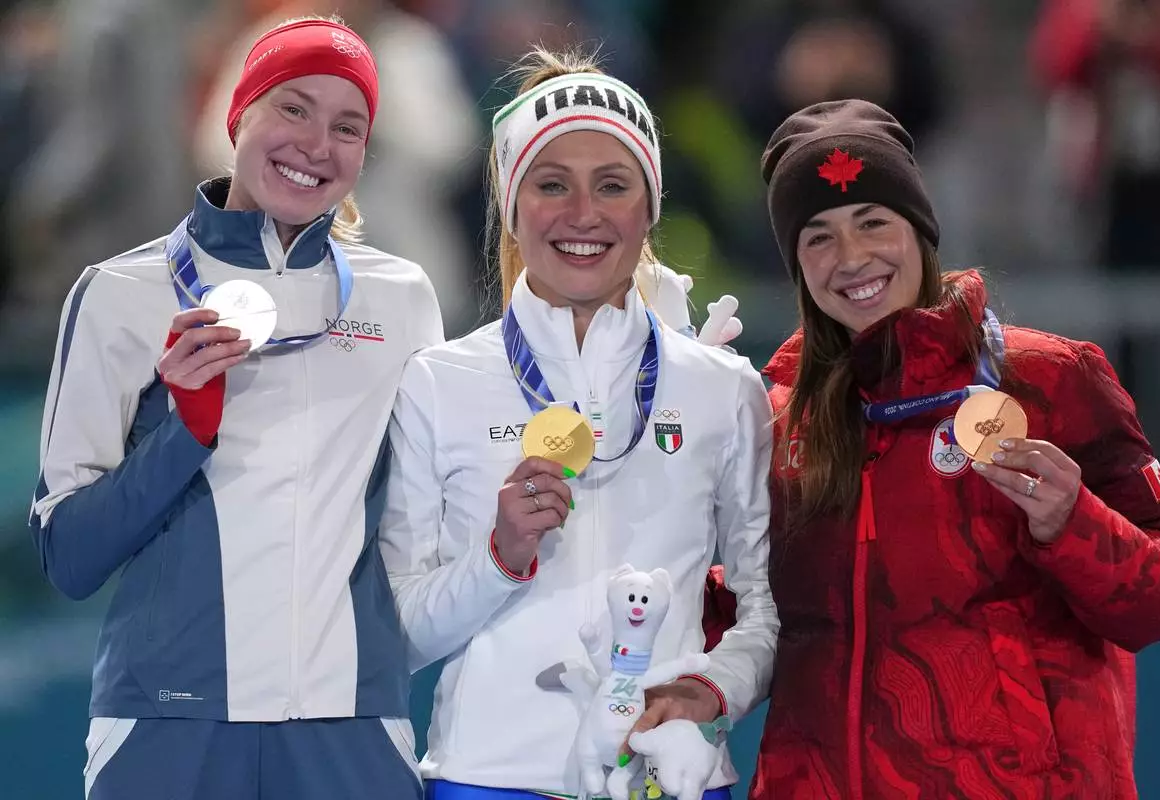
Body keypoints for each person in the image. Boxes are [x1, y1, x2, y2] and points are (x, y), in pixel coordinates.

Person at [29, 17, 440, 799]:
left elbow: (419, 530)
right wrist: (184, 431)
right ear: (237, 114)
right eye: (292, 108)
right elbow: (68, 559)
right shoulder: (121, 294)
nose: (317, 144)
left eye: (346, 126)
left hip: (349, 727)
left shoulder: (402, 299)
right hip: (166, 727)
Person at [746, 99, 1160, 798]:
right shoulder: (774, 424)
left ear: (920, 231)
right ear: (797, 267)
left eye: (873, 223)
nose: (853, 258)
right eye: (819, 238)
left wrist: (1071, 522)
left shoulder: (1051, 379)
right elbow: (738, 620)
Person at [379, 47, 778, 800]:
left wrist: (711, 690)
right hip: (486, 780)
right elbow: (394, 637)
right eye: (552, 184)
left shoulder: (722, 389)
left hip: (669, 776)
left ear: (651, 206)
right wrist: (499, 557)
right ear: (510, 202)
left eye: (613, 185)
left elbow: (764, 608)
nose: (583, 214)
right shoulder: (439, 382)